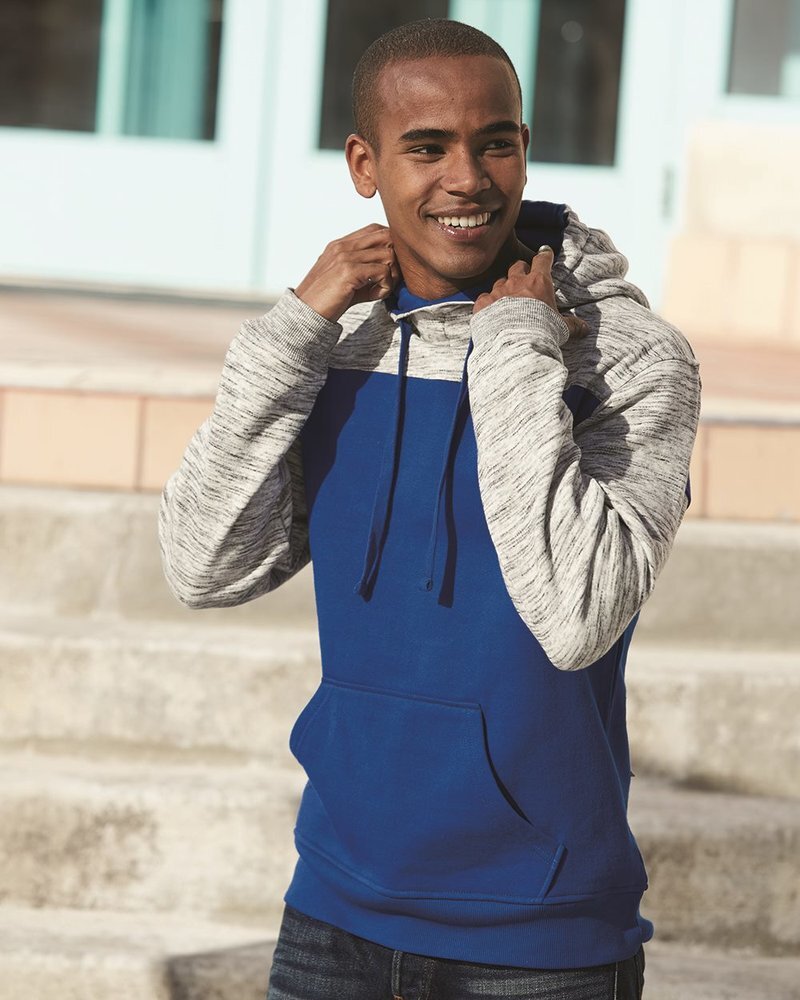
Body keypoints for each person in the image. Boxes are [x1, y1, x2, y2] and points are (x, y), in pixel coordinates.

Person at [158, 17, 700, 1000]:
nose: (467, 178)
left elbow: (577, 615)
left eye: (494, 143)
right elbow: (203, 566)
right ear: (364, 165)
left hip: (540, 937)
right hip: (333, 908)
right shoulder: (338, 345)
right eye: (426, 148)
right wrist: (291, 332)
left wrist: (517, 348)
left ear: (524, 147)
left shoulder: (625, 359)